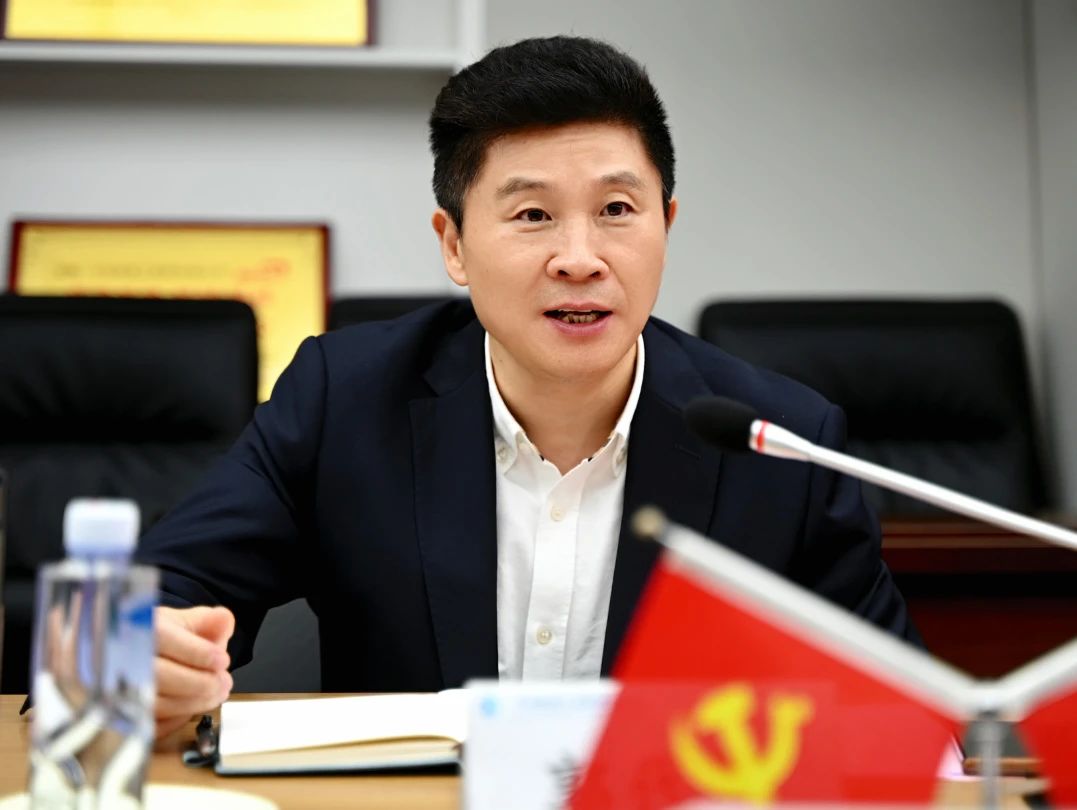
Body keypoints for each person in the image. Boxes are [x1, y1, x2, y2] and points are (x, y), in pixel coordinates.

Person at [137, 35, 919, 740]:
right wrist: (148, 657)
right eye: (533, 214)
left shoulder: (777, 443)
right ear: (453, 243)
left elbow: (898, 713)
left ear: (666, 225)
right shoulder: (343, 400)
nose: (579, 257)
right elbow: (164, 595)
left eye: (616, 209)